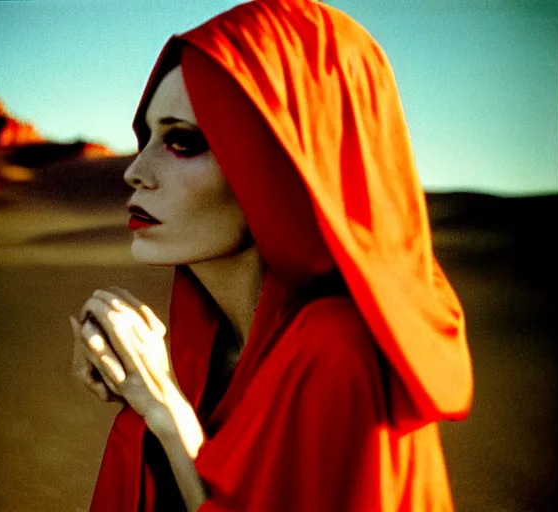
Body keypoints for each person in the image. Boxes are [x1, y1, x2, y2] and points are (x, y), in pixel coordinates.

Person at [69, 0, 474, 510]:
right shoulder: (216, 351)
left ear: (283, 162)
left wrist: (166, 410)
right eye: (146, 136)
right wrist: (141, 400)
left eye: (183, 142)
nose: (135, 171)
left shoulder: (338, 353)